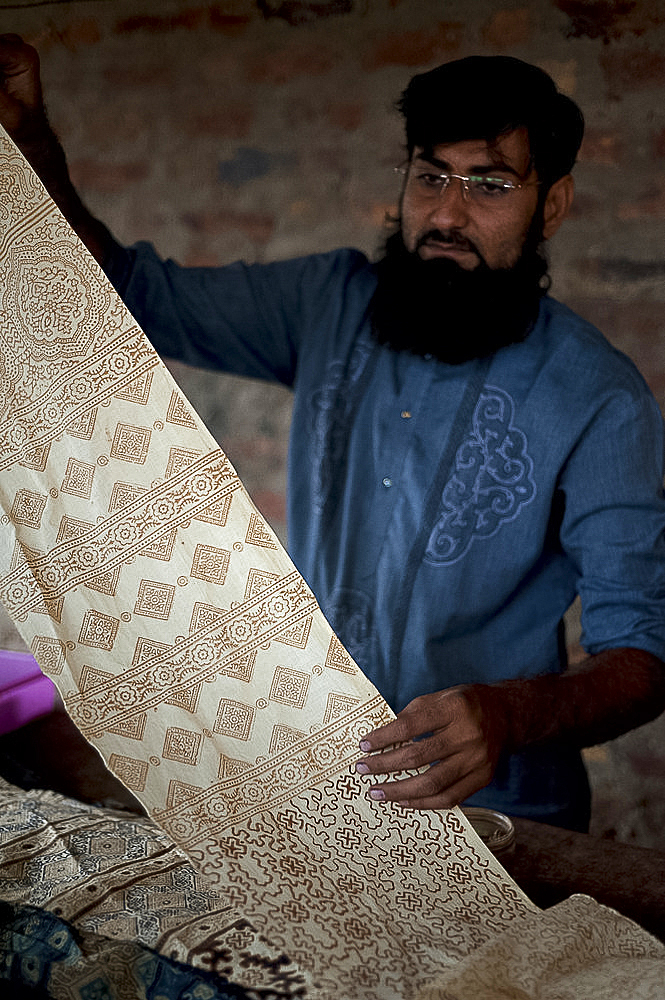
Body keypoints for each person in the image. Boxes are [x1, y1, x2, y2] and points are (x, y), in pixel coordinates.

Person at [2, 34, 665, 832]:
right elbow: (125, 291)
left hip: (502, 817)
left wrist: (509, 715)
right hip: (316, 785)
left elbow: (643, 655)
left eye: (488, 184)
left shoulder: (597, 395)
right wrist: (27, 136)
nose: (446, 213)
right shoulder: (330, 302)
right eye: (429, 176)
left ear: (549, 204)